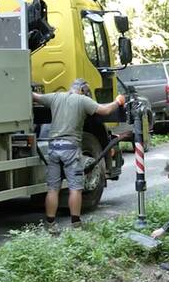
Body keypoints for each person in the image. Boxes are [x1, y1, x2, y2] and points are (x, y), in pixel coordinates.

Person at [33, 79, 126, 228]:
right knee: (75, 188)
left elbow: (35, 96)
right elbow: (105, 110)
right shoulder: (82, 100)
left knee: (52, 189)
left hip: (53, 148)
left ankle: (50, 223)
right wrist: (117, 101)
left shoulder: (56, 97)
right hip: (70, 149)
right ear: (83, 90)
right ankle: (75, 223)